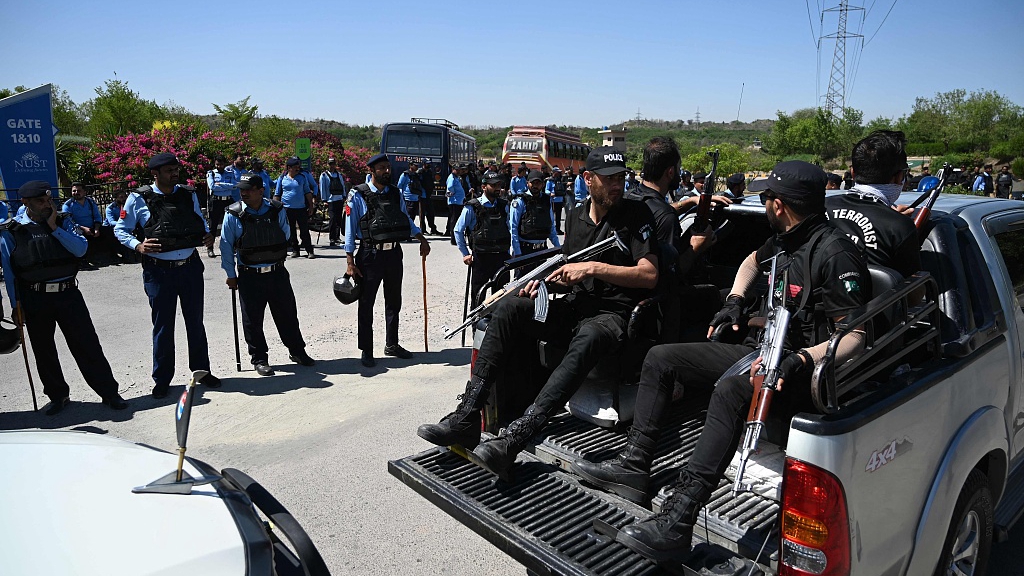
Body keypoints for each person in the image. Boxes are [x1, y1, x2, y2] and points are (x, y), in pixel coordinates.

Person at [570, 161, 870, 562]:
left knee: (731, 389)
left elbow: (854, 337)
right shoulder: (786, 237)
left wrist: (801, 359)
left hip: (803, 370)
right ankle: (634, 466)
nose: (764, 204)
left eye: (766, 198)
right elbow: (750, 263)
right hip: (762, 349)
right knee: (661, 358)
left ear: (778, 205)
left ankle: (678, 520)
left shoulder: (834, 253)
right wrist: (735, 301)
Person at [417, 146, 659, 477]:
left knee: (587, 338)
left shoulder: (636, 215)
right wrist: (545, 285)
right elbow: (569, 275)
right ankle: (467, 416)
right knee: (511, 308)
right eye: (609, 179)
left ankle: (516, 438)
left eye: (621, 178)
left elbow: (649, 275)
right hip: (575, 307)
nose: (617, 186)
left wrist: (592, 268)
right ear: (588, 180)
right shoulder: (574, 215)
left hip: (612, 316)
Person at [0, 181, 127, 415]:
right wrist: (15, 304)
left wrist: (54, 228)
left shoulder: (63, 221)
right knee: (44, 350)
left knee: (87, 345)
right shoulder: (12, 231)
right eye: (41, 201)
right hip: (35, 297)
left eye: (49, 200)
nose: (47, 204)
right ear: (26, 203)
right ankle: (58, 396)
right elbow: (10, 273)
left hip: (68, 294)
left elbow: (80, 250)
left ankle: (109, 392)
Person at [115, 152, 221, 398]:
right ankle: (162, 379)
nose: (175, 173)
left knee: (195, 322)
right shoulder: (138, 198)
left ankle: (202, 372)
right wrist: (138, 246)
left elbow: (199, 222)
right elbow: (121, 230)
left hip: (190, 268)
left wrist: (206, 234)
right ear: (155, 173)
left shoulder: (188, 193)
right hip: (159, 271)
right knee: (163, 326)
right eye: (169, 170)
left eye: (176, 169)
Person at [220, 175, 315, 376]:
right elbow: (226, 246)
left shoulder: (276, 209)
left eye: (248, 189)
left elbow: (286, 234)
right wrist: (230, 274)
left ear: (261, 190)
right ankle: (259, 358)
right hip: (249, 275)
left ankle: (297, 351)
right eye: (241, 190)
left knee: (288, 315)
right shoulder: (233, 214)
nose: (243, 193)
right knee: (252, 320)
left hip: (276, 272)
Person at [345, 153, 431, 368]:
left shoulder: (395, 193)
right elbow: (349, 229)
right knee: (366, 303)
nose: (386, 171)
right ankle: (366, 349)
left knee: (394, 301)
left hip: (393, 254)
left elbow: (405, 219)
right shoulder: (358, 194)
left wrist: (421, 238)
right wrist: (349, 261)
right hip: (369, 255)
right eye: (381, 168)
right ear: (371, 171)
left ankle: (392, 344)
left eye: (387, 167)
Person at [628, 137, 717, 342]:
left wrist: (690, 202)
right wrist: (695, 248)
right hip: (657, 318)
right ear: (670, 172)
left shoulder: (632, 198)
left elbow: (657, 209)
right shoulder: (665, 217)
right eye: (677, 168)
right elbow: (671, 276)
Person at [825, 130, 921, 278]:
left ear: (853, 172)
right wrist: (898, 224)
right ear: (899, 177)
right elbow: (913, 293)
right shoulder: (899, 227)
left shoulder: (820, 206)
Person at [455, 171, 511, 309]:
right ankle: (476, 327)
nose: (498, 188)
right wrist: (465, 253)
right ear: (484, 186)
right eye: (493, 185)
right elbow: (458, 230)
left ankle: (496, 327)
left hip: (501, 257)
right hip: (481, 257)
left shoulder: (504, 206)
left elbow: (510, 229)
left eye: (499, 184)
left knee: (501, 296)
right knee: (479, 295)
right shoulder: (472, 206)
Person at [509, 169, 560, 275]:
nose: (535, 186)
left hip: (542, 250)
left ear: (542, 184)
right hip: (525, 251)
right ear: (527, 183)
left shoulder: (546, 200)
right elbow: (513, 228)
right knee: (522, 286)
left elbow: (551, 226)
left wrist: (558, 248)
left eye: (538, 183)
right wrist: (518, 252)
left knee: (541, 284)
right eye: (533, 183)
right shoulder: (520, 201)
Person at [274, 157, 317, 259]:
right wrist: (276, 208)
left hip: (301, 208)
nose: (298, 169)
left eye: (298, 167)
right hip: (287, 209)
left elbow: (307, 192)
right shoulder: (282, 178)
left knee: (304, 230)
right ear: (289, 168)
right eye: (295, 167)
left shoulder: (302, 178)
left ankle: (309, 250)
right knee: (291, 230)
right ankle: (295, 250)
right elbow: (277, 194)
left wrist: (311, 206)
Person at [206, 155, 241, 258]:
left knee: (232, 224)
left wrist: (220, 184)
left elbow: (235, 186)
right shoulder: (211, 173)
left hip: (228, 201)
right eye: (217, 164)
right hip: (216, 201)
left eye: (221, 164)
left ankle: (233, 247)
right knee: (213, 226)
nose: (219, 166)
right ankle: (210, 248)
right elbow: (212, 186)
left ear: (224, 164)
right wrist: (227, 185)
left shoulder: (229, 173)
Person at [61, 182, 103, 265]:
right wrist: (83, 228)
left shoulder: (91, 202)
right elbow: (69, 221)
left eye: (79, 190)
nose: (76, 193)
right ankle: (83, 260)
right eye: (74, 191)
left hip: (92, 227)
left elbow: (97, 217)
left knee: (110, 232)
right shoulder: (68, 205)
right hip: (76, 229)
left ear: (84, 192)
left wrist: (97, 228)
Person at [319, 157, 348, 247]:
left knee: (339, 219)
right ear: (328, 164)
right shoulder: (324, 175)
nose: (332, 166)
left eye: (333, 164)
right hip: (330, 200)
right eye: (330, 164)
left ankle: (337, 237)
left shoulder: (339, 175)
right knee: (332, 219)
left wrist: (344, 196)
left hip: (339, 199)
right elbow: (322, 188)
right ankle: (332, 238)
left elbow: (342, 186)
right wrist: (324, 199)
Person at [102, 188, 137, 263]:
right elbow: (111, 222)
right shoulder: (110, 208)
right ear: (116, 198)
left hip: (125, 227)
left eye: (125, 197)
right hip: (111, 229)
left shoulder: (127, 206)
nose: (124, 199)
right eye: (121, 197)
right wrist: (123, 224)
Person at [397, 160, 425, 234]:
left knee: (412, 217)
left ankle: (409, 233)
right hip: (408, 199)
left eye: (417, 165)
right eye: (415, 165)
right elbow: (399, 185)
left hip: (416, 199)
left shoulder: (416, 175)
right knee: (408, 217)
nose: (416, 167)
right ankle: (406, 233)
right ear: (410, 165)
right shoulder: (405, 175)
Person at [445, 164, 467, 245]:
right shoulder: (451, 178)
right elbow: (450, 187)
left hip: (458, 201)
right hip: (454, 202)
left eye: (459, 170)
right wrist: (453, 193)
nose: (458, 171)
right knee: (454, 220)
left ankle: (455, 238)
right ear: (453, 169)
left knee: (456, 220)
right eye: (457, 170)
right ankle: (453, 239)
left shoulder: (456, 178)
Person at [418, 162, 442, 235]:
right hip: (422, 195)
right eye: (427, 164)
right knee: (422, 214)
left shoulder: (429, 171)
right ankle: (422, 229)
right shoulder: (420, 172)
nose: (428, 165)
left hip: (429, 195)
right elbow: (419, 183)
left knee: (431, 213)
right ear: (423, 164)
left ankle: (433, 229)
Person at [546, 166, 567, 234]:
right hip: (553, 201)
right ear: (554, 173)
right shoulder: (550, 181)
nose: (559, 174)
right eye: (557, 172)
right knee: (552, 217)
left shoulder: (560, 180)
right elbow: (546, 190)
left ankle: (558, 229)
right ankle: (552, 230)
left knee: (558, 216)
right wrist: (550, 193)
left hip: (560, 200)